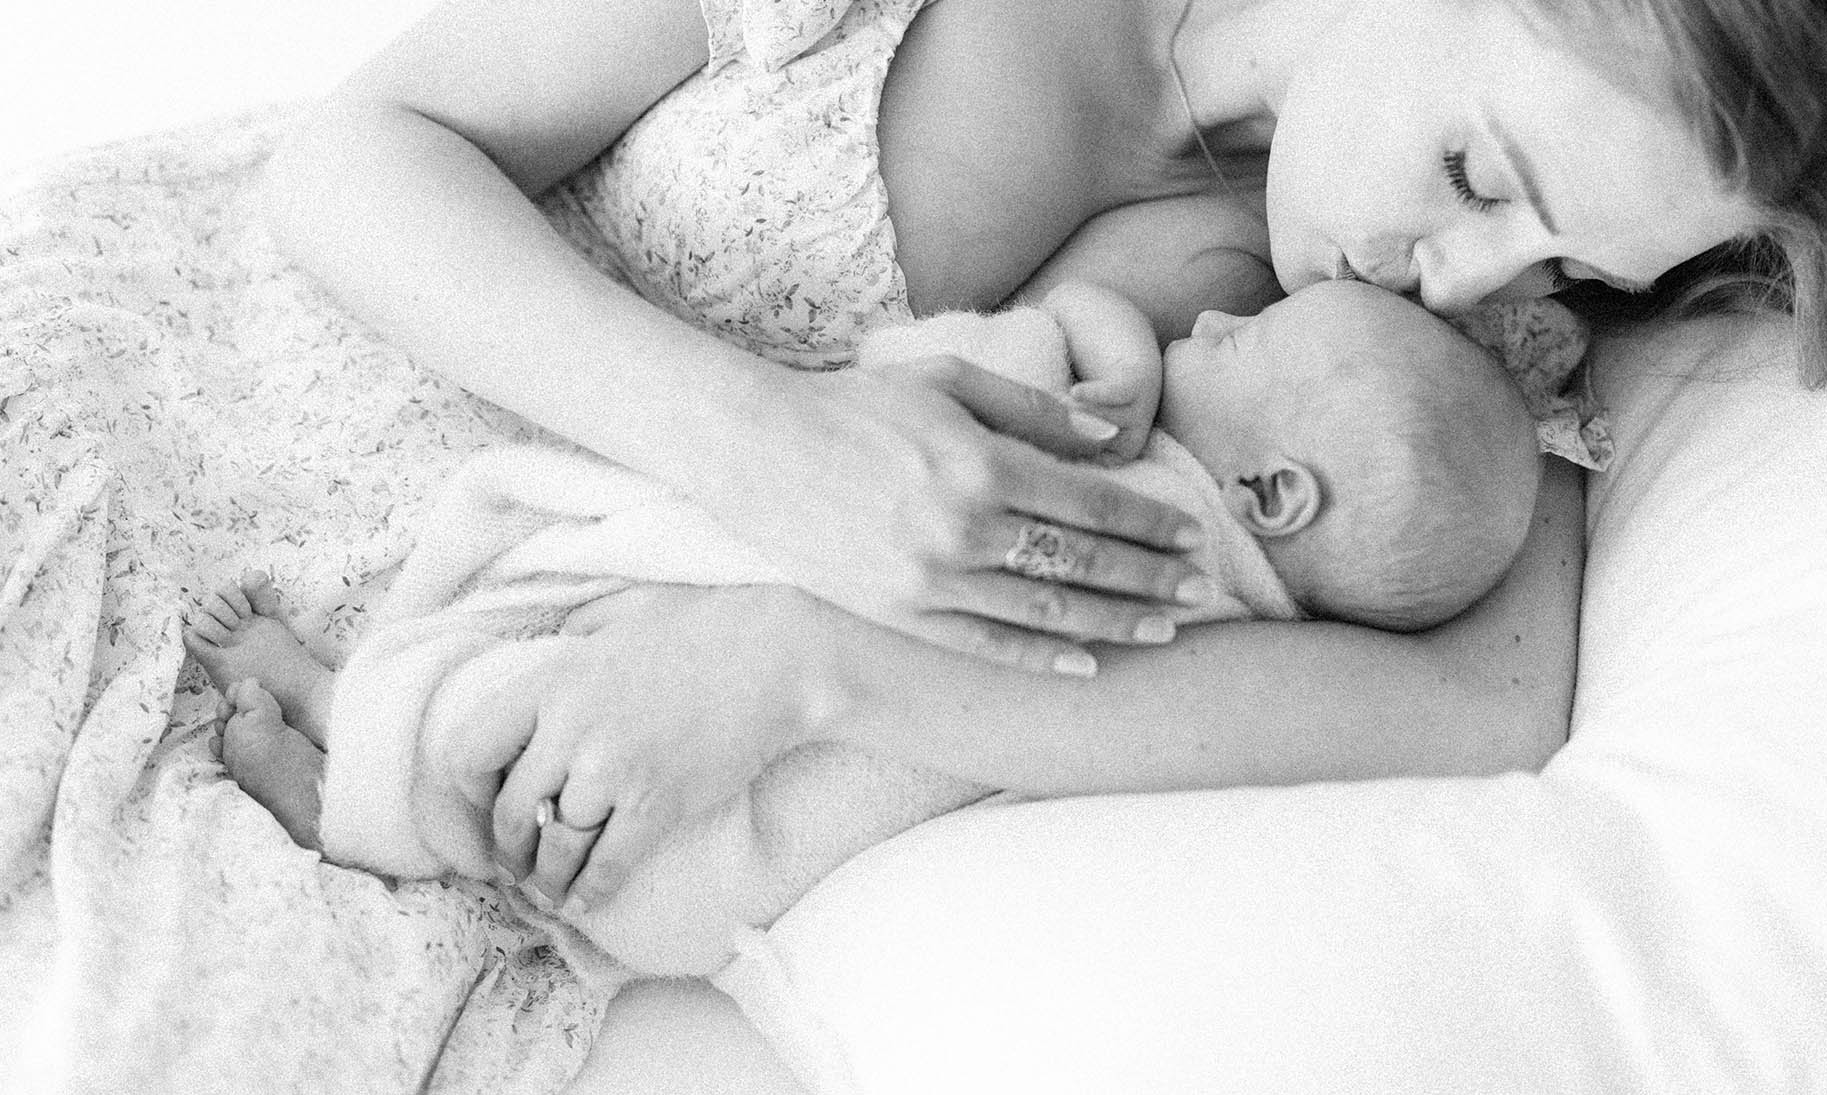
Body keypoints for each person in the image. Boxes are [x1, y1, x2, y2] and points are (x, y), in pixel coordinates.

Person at [240, 0, 1827, 1083]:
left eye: (1572, 265)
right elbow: (353, 157)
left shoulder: (1405, 375)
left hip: (486, 749)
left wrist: (799, 665)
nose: (1468, 281)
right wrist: (765, 449)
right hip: (231, 408)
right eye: (1478, 177)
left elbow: (1474, 708)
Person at [183, 276, 1542, 973]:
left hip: (775, 736)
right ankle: (366, 740)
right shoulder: (1241, 618)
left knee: (522, 712)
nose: (1215, 314)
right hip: (752, 752)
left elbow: (963, 371)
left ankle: (347, 779)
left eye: (1246, 340)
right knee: (552, 723)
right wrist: (1131, 345)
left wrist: (1089, 352)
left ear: (1274, 494)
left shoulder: (1148, 524)